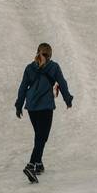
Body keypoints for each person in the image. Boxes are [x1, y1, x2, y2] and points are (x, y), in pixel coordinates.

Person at [14, 42, 73, 183]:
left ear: (37, 52)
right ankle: (31, 165)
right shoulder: (53, 67)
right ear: (50, 54)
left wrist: (19, 105)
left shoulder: (29, 68)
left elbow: (22, 88)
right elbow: (62, 83)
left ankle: (38, 164)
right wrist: (68, 99)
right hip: (45, 107)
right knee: (42, 137)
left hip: (32, 108)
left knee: (39, 135)